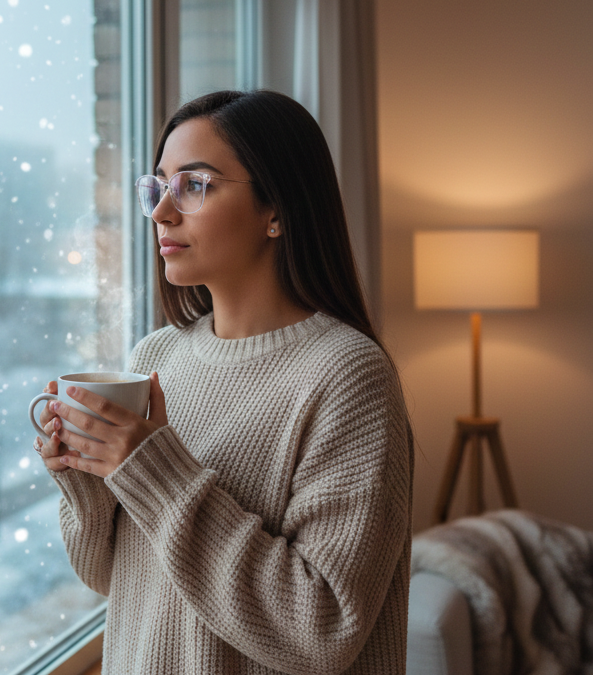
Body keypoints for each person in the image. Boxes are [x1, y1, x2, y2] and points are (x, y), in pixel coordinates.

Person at [33, 90, 413, 674]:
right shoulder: (156, 356)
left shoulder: (347, 376)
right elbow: (112, 575)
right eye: (158, 187)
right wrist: (89, 479)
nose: (162, 212)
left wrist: (151, 468)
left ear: (278, 209)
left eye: (195, 186)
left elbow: (323, 628)